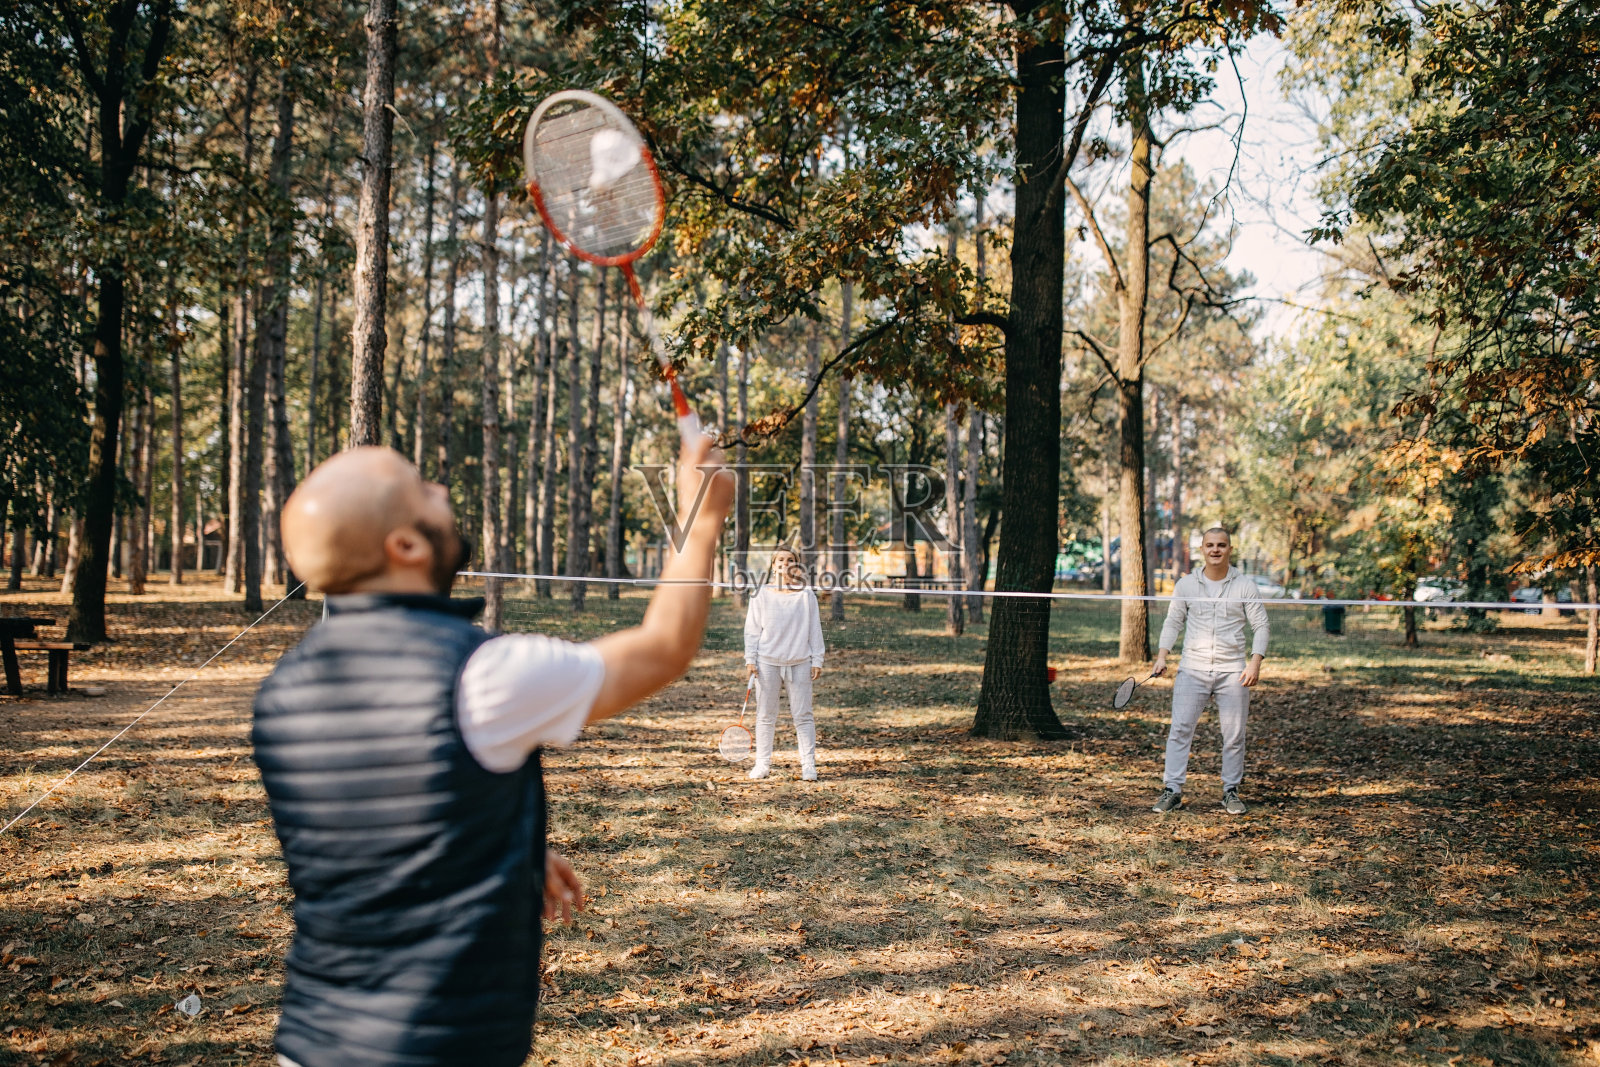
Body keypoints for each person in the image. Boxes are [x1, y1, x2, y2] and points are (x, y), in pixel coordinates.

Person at [252, 438, 731, 1067]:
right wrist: (702, 515)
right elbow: (663, 647)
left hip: (311, 1043)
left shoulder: (282, 690)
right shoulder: (484, 675)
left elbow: (374, 829)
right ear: (406, 546)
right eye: (422, 488)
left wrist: (503, 842)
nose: (442, 491)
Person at [1149, 526, 1269, 816]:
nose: (1216, 549)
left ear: (1230, 549)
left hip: (1233, 672)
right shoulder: (1186, 585)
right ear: (1202, 549)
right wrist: (1162, 656)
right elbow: (1173, 621)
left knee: (1234, 735)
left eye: (1221, 545)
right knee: (1180, 730)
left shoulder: (1245, 586)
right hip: (1192, 669)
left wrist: (1254, 663)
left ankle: (1231, 791)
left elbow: (1261, 625)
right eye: (1210, 545)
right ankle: (1172, 790)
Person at [741, 546, 825, 781]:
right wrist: (750, 658)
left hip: (800, 662)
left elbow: (814, 628)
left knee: (803, 715)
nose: (785, 564)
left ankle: (808, 766)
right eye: (780, 560)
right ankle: (762, 764)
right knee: (765, 716)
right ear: (773, 564)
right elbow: (752, 629)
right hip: (767, 663)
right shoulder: (761, 593)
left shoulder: (806, 595)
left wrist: (817, 658)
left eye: (790, 560)